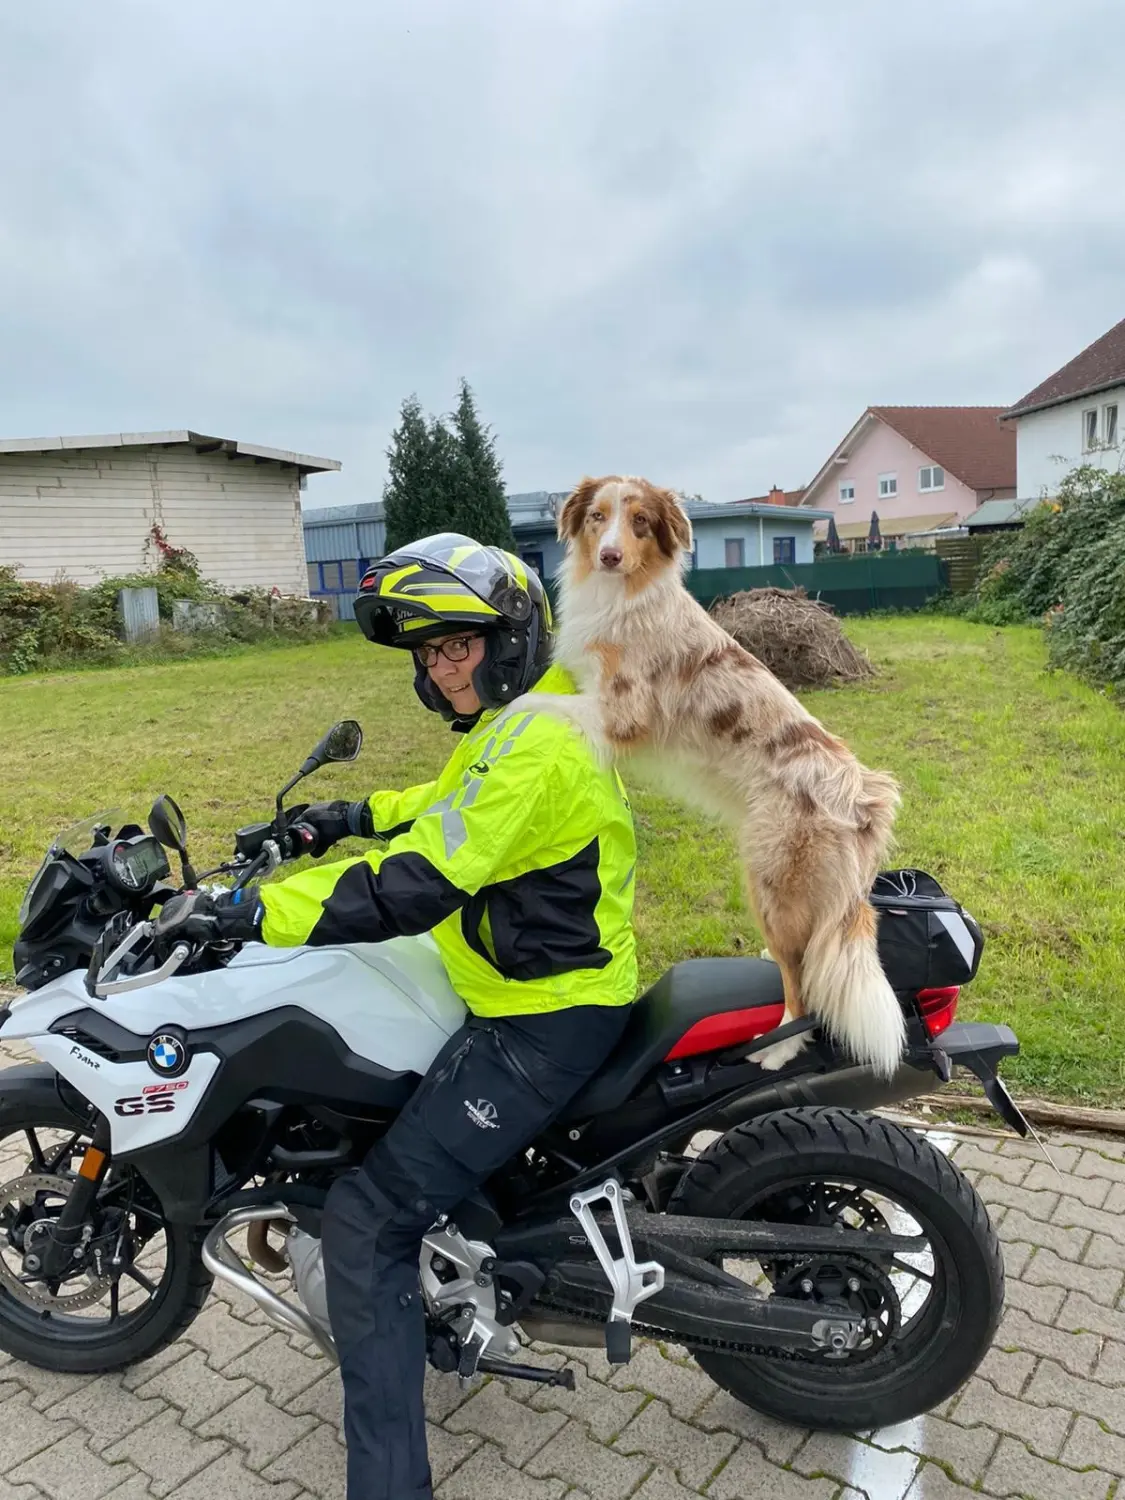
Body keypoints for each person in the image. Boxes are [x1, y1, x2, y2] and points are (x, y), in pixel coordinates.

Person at [156, 534, 638, 1500]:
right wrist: (337, 816)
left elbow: (419, 883)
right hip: (519, 994)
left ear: (504, 639)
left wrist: (255, 912)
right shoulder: (520, 726)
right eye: (426, 652)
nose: (440, 667)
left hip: (542, 1020)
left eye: (455, 645)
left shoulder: (540, 738)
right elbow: (449, 803)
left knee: (367, 1223)